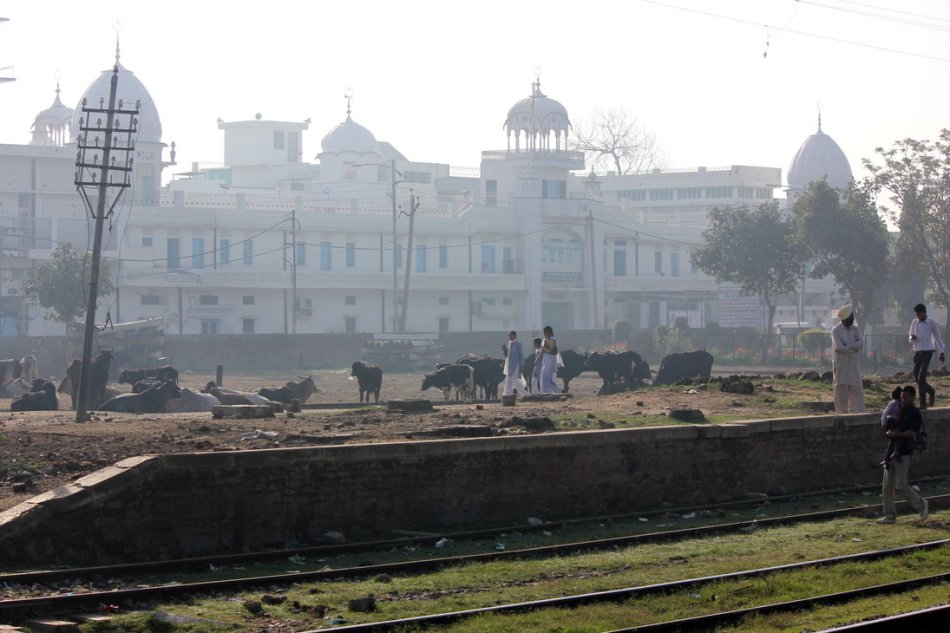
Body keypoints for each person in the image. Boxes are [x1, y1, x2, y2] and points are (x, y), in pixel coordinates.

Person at [878, 385, 929, 524]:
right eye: (902, 397)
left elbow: (913, 432)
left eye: (906, 398)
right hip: (893, 450)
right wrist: (890, 430)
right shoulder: (900, 410)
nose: (903, 400)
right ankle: (889, 516)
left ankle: (921, 505)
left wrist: (897, 433)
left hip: (904, 451)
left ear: (913, 397)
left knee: (901, 484)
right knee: (887, 485)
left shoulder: (914, 413)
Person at [908, 303, 945, 410]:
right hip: (917, 351)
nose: (918, 316)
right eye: (917, 314)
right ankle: (931, 391)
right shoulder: (914, 322)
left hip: (928, 351)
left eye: (920, 314)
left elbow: (938, 338)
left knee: (922, 376)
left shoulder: (931, 323)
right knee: (916, 375)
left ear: (924, 313)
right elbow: (909, 337)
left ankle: (922, 403)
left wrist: (941, 352)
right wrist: (912, 337)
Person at [831, 304, 865, 414]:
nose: (853, 318)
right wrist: (852, 348)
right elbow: (839, 347)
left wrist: (848, 346)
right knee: (841, 389)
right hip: (841, 364)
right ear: (846, 318)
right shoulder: (836, 330)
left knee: (856, 388)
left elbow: (861, 343)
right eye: (851, 316)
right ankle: (842, 413)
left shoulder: (855, 329)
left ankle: (858, 412)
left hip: (853, 363)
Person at [879, 386, 903, 470]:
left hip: (894, 424)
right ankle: (889, 458)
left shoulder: (900, 404)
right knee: (895, 439)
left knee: (894, 441)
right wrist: (884, 424)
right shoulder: (894, 403)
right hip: (890, 423)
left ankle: (887, 459)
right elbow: (885, 415)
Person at [501, 331, 526, 397]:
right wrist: (504, 350)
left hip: (516, 365)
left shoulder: (518, 344)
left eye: (511, 336)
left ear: (515, 336)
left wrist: (522, 366)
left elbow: (520, 356)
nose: (510, 337)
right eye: (509, 336)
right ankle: (525, 395)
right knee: (513, 380)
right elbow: (508, 356)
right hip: (510, 365)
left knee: (510, 379)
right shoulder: (510, 344)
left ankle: (507, 394)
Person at [539, 325, 560, 394]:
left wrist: (546, 346)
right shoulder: (545, 339)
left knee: (545, 375)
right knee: (547, 379)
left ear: (549, 332)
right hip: (545, 359)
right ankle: (557, 391)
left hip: (550, 360)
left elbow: (552, 351)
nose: (544, 334)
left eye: (545, 332)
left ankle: (545, 392)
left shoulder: (552, 339)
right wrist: (538, 359)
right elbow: (543, 350)